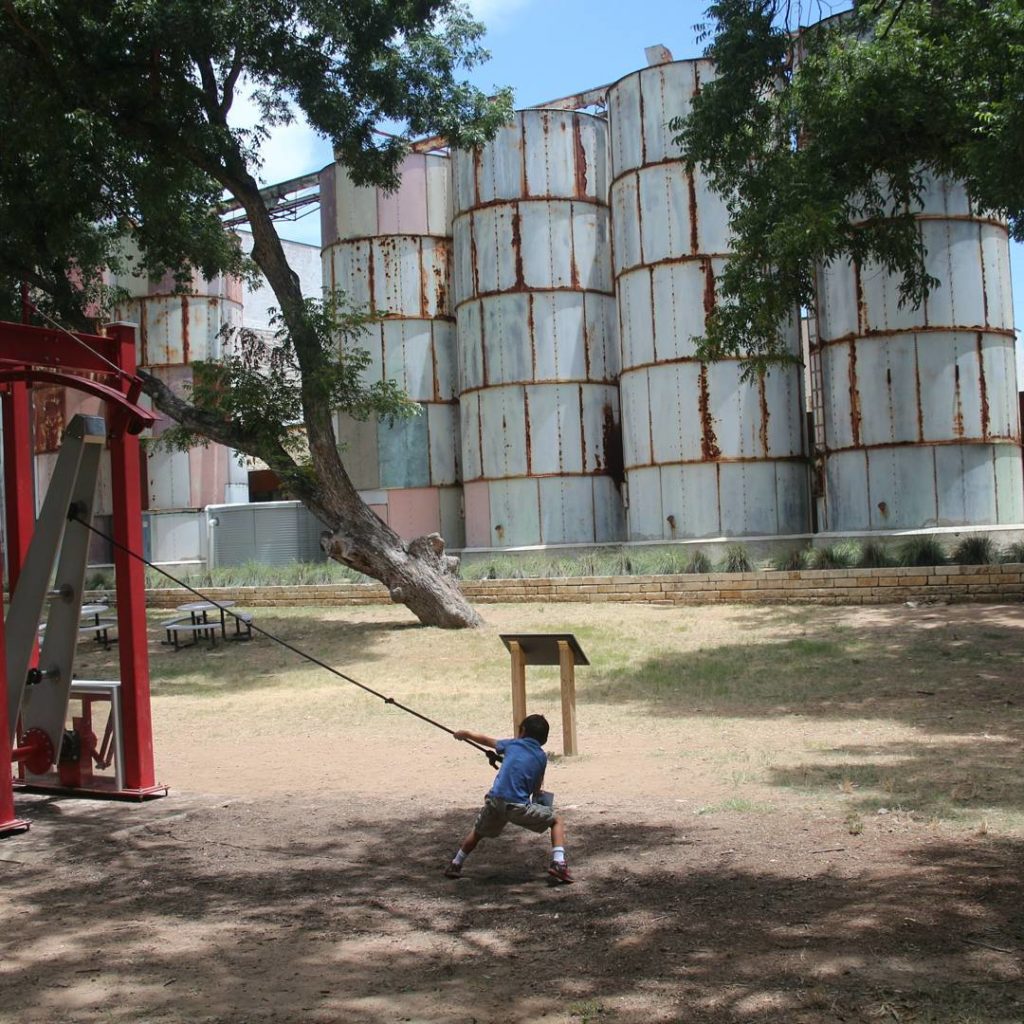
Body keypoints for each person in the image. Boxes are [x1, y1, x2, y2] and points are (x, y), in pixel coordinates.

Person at [444, 713, 573, 884]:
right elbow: (536, 787)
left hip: (495, 801)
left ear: (523, 731)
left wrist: (465, 734)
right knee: (556, 820)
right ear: (544, 739)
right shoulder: (541, 757)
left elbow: (486, 740)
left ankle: (456, 863)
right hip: (517, 806)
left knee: (478, 832)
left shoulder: (512, 744)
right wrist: (538, 797)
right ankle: (558, 863)